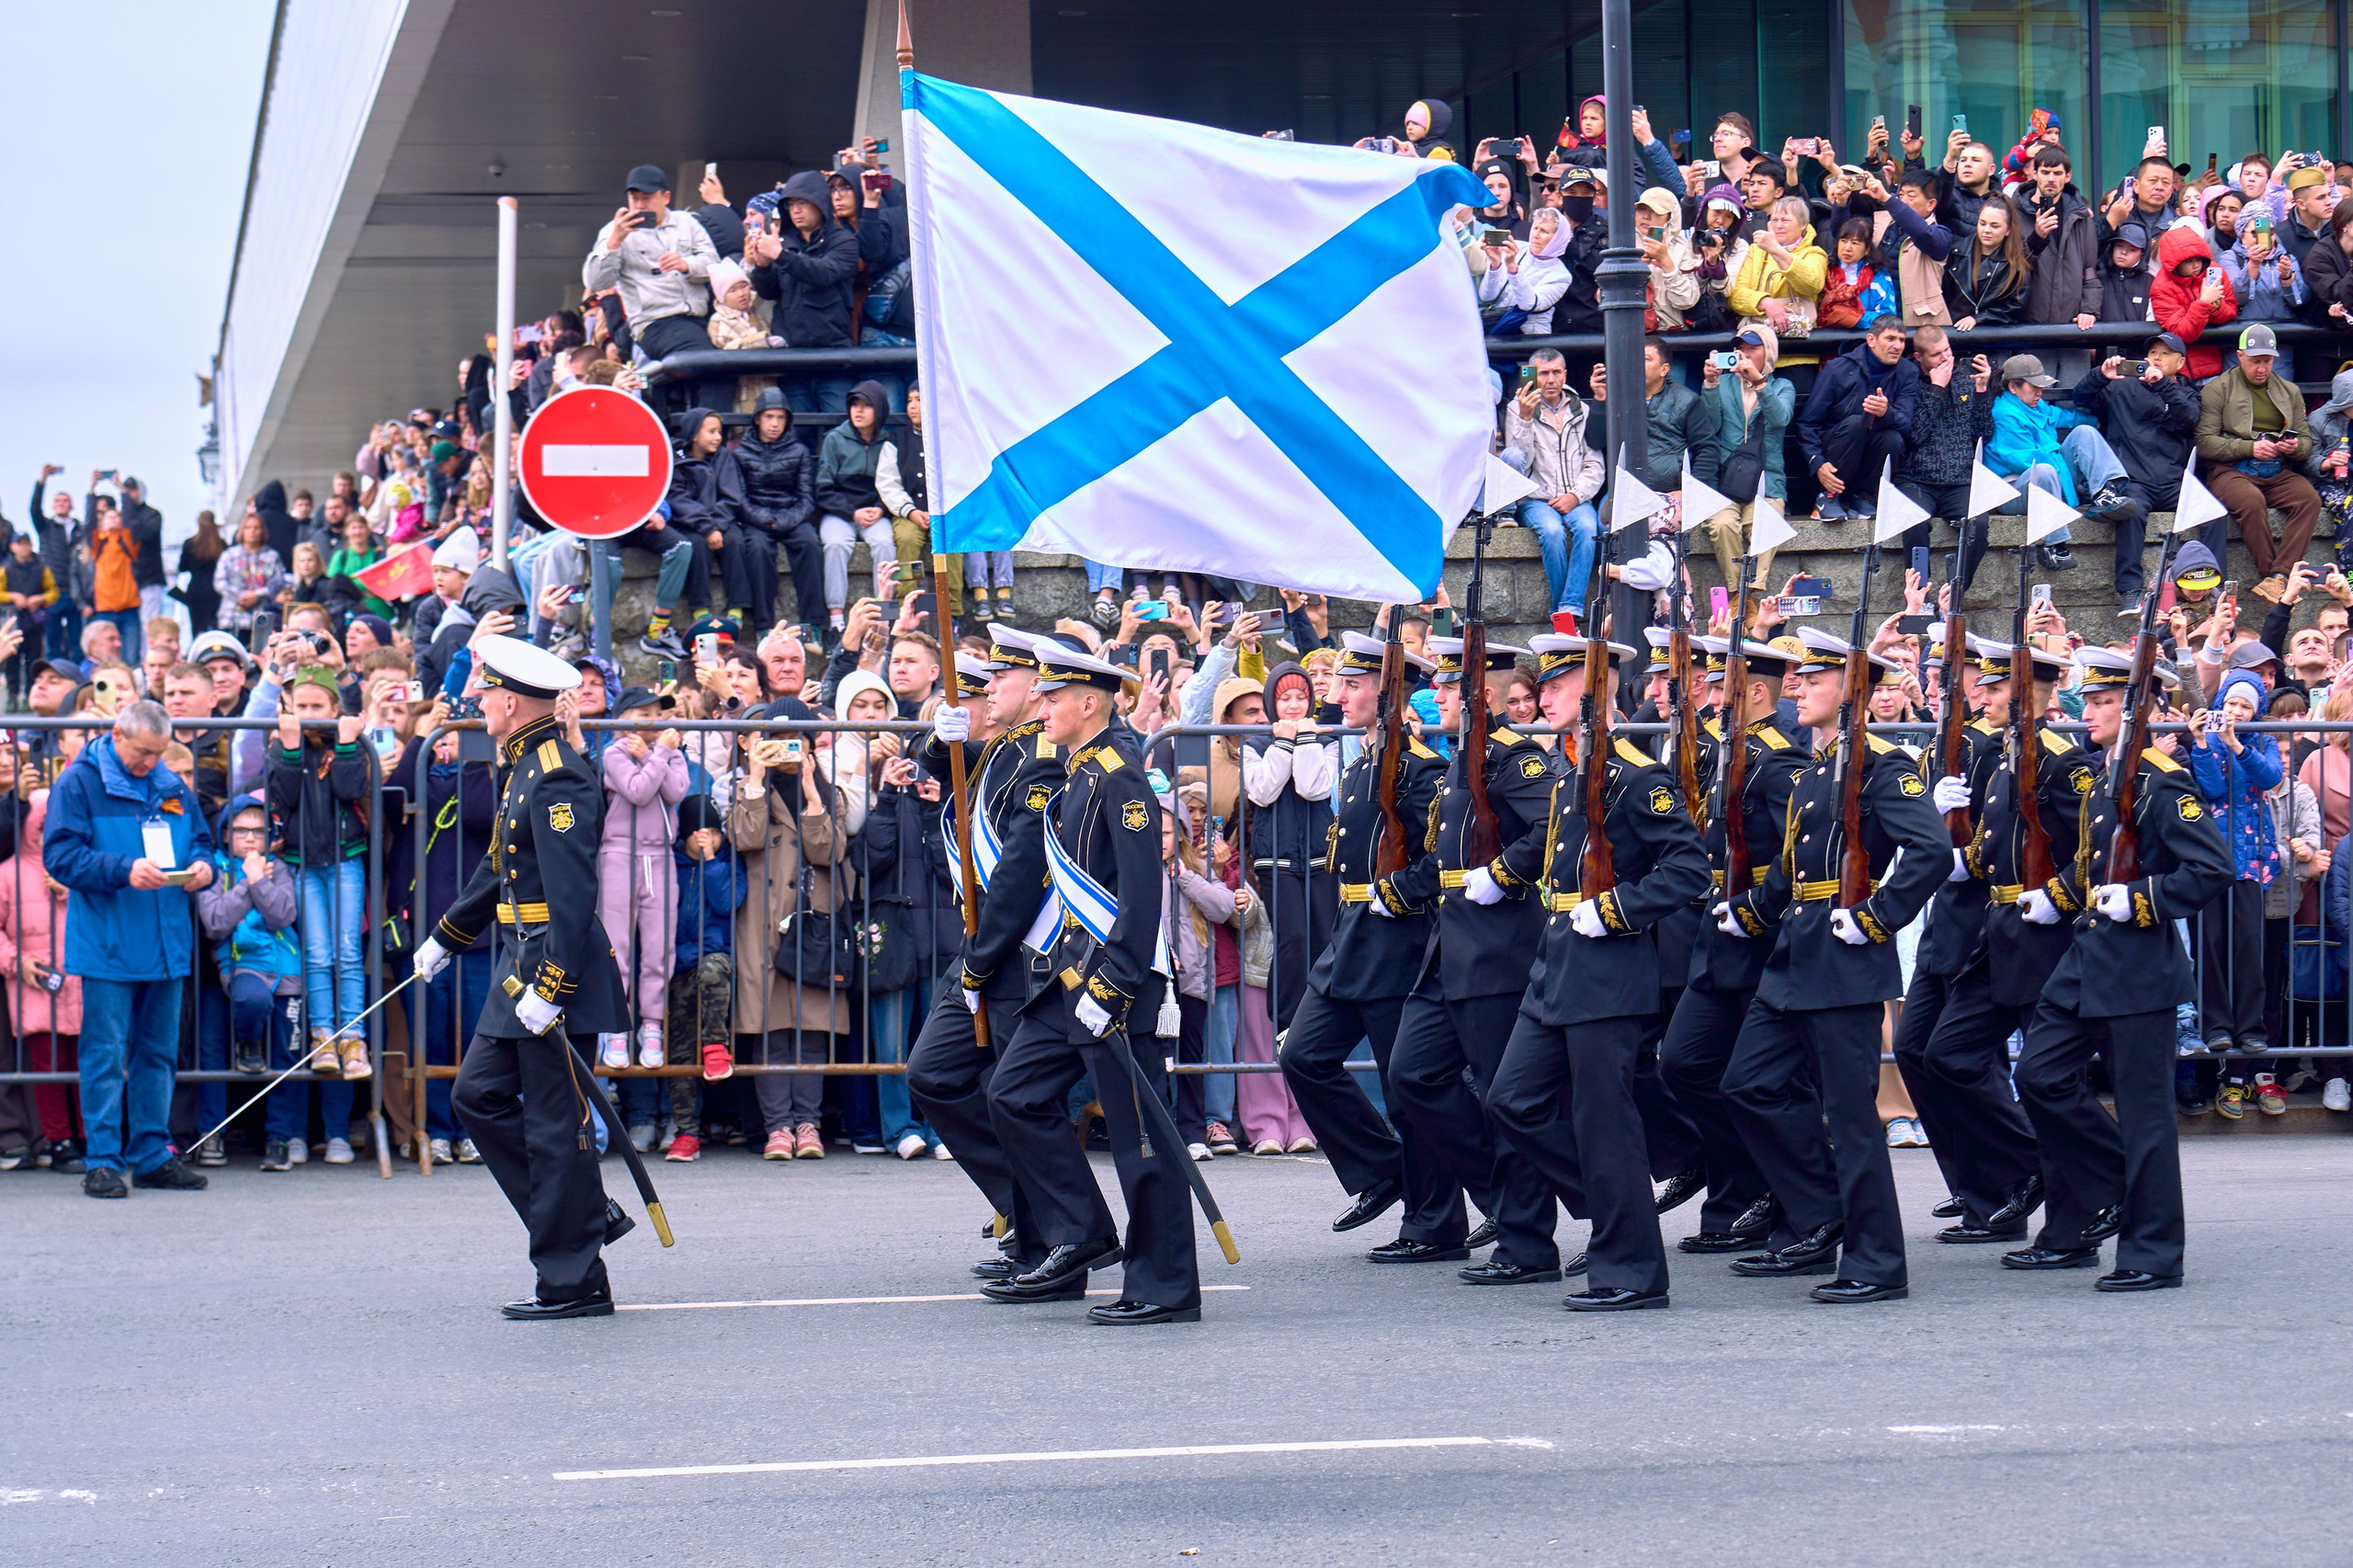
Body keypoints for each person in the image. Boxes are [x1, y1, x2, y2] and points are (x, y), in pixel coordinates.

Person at [1716, 629, 1949, 1302]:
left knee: (1853, 1119)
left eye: (1814, 681)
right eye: (1800, 678)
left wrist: (1878, 917)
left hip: (1844, 962)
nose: (1798, 688)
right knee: (1747, 1083)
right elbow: (1793, 868)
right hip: (1794, 955)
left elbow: (1929, 851)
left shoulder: (1882, 767)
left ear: (1853, 693)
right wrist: (1751, 911)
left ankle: (1877, 1262)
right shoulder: (1817, 769)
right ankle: (1822, 1214)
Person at [1480, 633, 1710, 1311]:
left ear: (1595, 690)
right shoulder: (1570, 770)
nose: (1540, 697)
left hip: (1607, 969)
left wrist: (1617, 909)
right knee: (1511, 1100)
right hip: (1556, 962)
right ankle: (1619, 1204)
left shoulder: (1634, 774)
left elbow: (1689, 869)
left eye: (1555, 686)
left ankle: (1633, 1270)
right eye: (1541, 686)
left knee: (1604, 1120)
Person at [981, 641, 1199, 1326]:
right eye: (1040, 696)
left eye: (1052, 698)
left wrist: (1114, 988)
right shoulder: (1077, 774)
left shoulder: (1119, 777)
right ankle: (1081, 1233)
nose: (1041, 708)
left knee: (1141, 1144)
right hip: (1066, 980)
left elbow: (1140, 899)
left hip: (1113, 986)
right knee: (1012, 1095)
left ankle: (1164, 1286)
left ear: (1088, 703)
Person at [413, 637, 630, 1317]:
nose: (477, 701)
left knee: (551, 1126)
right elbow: (497, 869)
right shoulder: (525, 764)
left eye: (484, 692)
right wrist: (447, 936)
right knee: (477, 1096)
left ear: (510, 700)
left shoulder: (558, 772)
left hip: (549, 971)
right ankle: (584, 1211)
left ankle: (571, 1279)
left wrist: (555, 987)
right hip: (520, 962)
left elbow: (571, 892)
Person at [2008, 649, 2228, 1290]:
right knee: (2040, 1074)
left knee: (2146, 1114)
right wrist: (2056, 895)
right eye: (2093, 700)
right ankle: (2116, 1185)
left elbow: (2209, 869)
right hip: (2087, 959)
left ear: (2141, 709)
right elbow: (2091, 862)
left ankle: (2153, 1254)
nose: (2093, 711)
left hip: (2138, 970)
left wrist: (2142, 899)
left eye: (2107, 702)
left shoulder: (2162, 781)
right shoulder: (2107, 777)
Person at [1274, 631, 1466, 1259]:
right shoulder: (1361, 763)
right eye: (1341, 682)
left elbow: (1444, 859)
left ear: (1389, 695)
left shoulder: (1420, 769)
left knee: (1405, 1087)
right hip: (1351, 939)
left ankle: (1435, 1223)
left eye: (1354, 685)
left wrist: (1402, 891)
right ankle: (1385, 1170)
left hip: (1396, 943)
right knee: (1302, 1055)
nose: (1338, 693)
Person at [1382, 634, 1559, 1283]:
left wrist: (1509, 872)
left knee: (1502, 1097)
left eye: (1452, 687)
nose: (1439, 696)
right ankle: (1499, 1195)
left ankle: (1529, 1242)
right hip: (1449, 946)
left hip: (1498, 950)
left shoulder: (1515, 760)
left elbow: (1554, 826)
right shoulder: (1461, 761)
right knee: (1413, 1075)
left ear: (1481, 696)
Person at [1912, 640, 2086, 1245]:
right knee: (1934, 1054)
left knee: (2048, 1080)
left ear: (2029, 691)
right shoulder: (2003, 754)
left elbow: (2091, 849)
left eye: (1994, 685)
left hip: (2035, 934)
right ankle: (2008, 1178)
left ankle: (2062, 1206)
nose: (1979, 695)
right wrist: (1947, 849)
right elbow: (1988, 844)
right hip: (1983, 928)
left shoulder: (2053, 758)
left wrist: (2058, 898)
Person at [911, 626, 1060, 1273]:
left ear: (1036, 690)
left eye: (1002, 677)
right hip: (983, 946)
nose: (990, 687)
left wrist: (980, 960)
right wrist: (937, 738)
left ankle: (1043, 1230)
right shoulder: (997, 751)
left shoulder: (1041, 757)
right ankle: (1018, 1205)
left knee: (1015, 1094)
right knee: (933, 1074)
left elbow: (1023, 873)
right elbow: (933, 764)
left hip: (1018, 950)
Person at [1659, 636, 1810, 1253]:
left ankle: (1768, 1196)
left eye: (1723, 688)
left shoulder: (1779, 761)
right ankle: (1747, 1186)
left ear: (1754, 692)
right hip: (1717, 936)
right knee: (1685, 1065)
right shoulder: (1730, 753)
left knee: (1760, 1081)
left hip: (1763, 940)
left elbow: (1798, 854)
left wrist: (1757, 908)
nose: (1713, 698)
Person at [42, 701, 216, 1199]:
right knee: (105, 1052)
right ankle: (102, 1158)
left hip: (162, 940)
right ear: (117, 735)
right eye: (143, 753)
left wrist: (204, 868)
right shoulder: (78, 782)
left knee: (156, 1054)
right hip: (110, 941)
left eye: (158, 754)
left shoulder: (168, 781)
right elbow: (60, 856)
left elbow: (203, 842)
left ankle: (149, 1153)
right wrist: (123, 869)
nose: (149, 763)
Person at [267, 666, 379, 1118]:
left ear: (336, 709)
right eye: (302, 706)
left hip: (344, 858)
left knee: (348, 951)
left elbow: (351, 787)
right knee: (316, 953)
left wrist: (349, 742)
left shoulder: (347, 743)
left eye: (318, 707)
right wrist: (291, 748)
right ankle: (322, 1034)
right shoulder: (281, 744)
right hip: (302, 863)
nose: (309, 714)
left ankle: (353, 1037)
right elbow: (283, 797)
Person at [192, 792, 304, 1169]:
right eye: (241, 830)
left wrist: (260, 878)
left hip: (283, 971)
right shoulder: (213, 868)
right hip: (228, 970)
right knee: (210, 1052)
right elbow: (215, 922)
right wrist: (250, 882)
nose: (251, 839)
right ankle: (211, 1135)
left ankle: (279, 1138)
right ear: (225, 834)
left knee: (285, 1057)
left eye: (259, 831)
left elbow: (283, 914)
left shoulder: (280, 868)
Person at [597, 687, 688, 1089]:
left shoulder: (669, 752)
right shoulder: (614, 753)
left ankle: (651, 1025)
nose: (651, 721)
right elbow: (637, 790)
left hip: (659, 856)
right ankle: (617, 1028)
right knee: (617, 945)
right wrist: (658, 757)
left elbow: (675, 791)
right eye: (643, 713)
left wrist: (658, 754)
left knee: (658, 945)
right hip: (618, 853)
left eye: (656, 713)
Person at [2070, 334, 2202, 608]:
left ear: (2180, 362)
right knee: (2130, 510)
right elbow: (2080, 398)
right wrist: (2101, 375)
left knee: (2212, 510)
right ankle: (2130, 591)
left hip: (2173, 482)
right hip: (2135, 479)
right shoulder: (2122, 386)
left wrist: (2163, 385)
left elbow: (2189, 420)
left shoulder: (2186, 392)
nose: (2156, 357)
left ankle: (2213, 583)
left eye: (2165, 354)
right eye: (2153, 352)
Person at [2188, 668, 2281, 1053]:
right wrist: (2203, 743)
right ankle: (2216, 1026)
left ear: (2256, 712)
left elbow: (2271, 777)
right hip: (2213, 856)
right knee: (2209, 943)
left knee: (2248, 943)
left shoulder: (2264, 740)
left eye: (2246, 706)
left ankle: (2251, 1028)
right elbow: (2209, 787)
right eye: (2231, 704)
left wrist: (2239, 746)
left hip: (2251, 857)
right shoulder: (2208, 739)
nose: (2237, 711)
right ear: (2219, 705)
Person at [581, 165, 720, 416]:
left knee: (723, 365)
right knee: (712, 366)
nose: (640, 206)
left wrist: (687, 264)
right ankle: (711, 431)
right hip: (655, 323)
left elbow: (714, 265)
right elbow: (595, 282)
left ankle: (701, 432)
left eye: (647, 198)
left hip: (701, 318)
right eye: (634, 199)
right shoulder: (613, 231)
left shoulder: (687, 223)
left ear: (665, 198)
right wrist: (614, 242)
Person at [2198, 323, 2321, 601]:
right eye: (2255, 362)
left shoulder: (2289, 391)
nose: (2261, 368)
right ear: (2240, 356)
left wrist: (2294, 446)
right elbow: (2204, 443)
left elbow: (2305, 443)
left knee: (2309, 500)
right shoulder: (2217, 389)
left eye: (2267, 361)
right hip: (2232, 471)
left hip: (2277, 470)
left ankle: (2280, 576)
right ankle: (2270, 575)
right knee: (2251, 502)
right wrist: (2249, 448)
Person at [1986, 353, 2133, 573]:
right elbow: (2029, 462)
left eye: (2040, 386)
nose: (2039, 392)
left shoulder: (2034, 404)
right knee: (2044, 471)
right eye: (2033, 387)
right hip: (2015, 491)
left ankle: (2105, 493)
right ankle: (2054, 546)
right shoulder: (2004, 413)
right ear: (2013, 387)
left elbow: (2062, 416)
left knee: (2085, 432)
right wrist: (2075, 489)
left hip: (2051, 480)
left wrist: (2100, 422)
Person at [1500, 348, 1602, 636]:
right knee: (1553, 533)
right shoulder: (1516, 407)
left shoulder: (1581, 408)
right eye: (1543, 373)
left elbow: (1594, 462)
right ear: (1533, 374)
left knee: (1587, 527)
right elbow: (1519, 459)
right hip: (1536, 497)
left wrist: (1576, 495)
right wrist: (1524, 417)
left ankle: (1567, 608)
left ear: (1565, 374)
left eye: (1556, 372)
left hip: (1575, 495)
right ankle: (1565, 615)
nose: (1550, 379)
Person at [745, 169, 861, 413]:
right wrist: (763, 267)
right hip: (791, 357)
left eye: (802, 202)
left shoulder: (844, 241)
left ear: (819, 203)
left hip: (834, 356)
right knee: (798, 434)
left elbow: (824, 273)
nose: (795, 210)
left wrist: (779, 255)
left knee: (837, 429)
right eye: (790, 204)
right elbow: (769, 293)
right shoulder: (783, 242)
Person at [1697, 324, 1797, 595]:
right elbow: (1708, 425)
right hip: (1724, 481)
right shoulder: (1724, 383)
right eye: (1740, 349)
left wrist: (1760, 384)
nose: (1744, 354)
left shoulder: (1782, 386)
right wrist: (1710, 384)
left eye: (1752, 349)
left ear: (1769, 353)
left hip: (1767, 481)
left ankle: (1749, 593)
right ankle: (1735, 593)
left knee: (1768, 526)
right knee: (1722, 525)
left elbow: (1781, 417)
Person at [1895, 329, 1996, 593]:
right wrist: (1937, 387)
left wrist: (1983, 391)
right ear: (1919, 357)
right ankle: (1920, 598)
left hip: (1960, 480)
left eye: (1947, 351)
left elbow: (1982, 435)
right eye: (1936, 354)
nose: (1945, 358)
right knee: (1914, 524)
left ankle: (1953, 594)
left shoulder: (1965, 379)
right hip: (1917, 479)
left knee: (1979, 525)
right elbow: (1915, 434)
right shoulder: (1908, 382)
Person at [1798, 314, 1917, 522]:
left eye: (1901, 340)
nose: (1897, 346)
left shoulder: (1908, 372)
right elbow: (1808, 424)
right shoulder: (1837, 369)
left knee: (1893, 438)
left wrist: (1886, 412)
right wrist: (1817, 463)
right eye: (1890, 339)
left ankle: (1865, 497)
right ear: (1871, 340)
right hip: (1835, 452)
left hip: (1870, 455)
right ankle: (1827, 497)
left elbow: (1907, 426)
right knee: (1856, 423)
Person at [733, 389, 827, 635]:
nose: (775, 424)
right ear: (757, 419)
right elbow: (739, 499)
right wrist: (765, 520)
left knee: (810, 545)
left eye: (780, 417)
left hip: (792, 516)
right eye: (769, 417)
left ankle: (813, 625)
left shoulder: (799, 451)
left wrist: (784, 521)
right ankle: (764, 626)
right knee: (758, 550)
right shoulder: (741, 453)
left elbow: (807, 499)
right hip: (757, 518)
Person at [814, 381, 902, 631]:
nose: (858, 411)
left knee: (886, 543)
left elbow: (893, 483)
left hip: (875, 511)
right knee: (835, 545)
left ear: (880, 410)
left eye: (866, 406)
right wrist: (851, 512)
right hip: (840, 513)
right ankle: (836, 620)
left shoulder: (888, 441)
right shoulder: (834, 439)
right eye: (854, 404)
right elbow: (823, 489)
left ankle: (884, 616)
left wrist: (880, 509)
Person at [2020, 145, 2102, 334]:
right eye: (2045, 172)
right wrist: (2037, 239)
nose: (2051, 179)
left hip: (2073, 328)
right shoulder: (2016, 213)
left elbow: (2090, 271)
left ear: (2068, 176)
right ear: (2034, 174)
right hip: (2028, 328)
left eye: (2057, 173)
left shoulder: (2081, 216)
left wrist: (2089, 310)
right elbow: (2011, 270)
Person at [2149, 225, 2239, 379]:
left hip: (2213, 366)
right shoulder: (2160, 287)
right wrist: (2203, 304)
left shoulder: (2214, 271)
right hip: (2178, 373)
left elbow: (2231, 311)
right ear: (2175, 263)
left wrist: (2216, 309)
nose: (2196, 265)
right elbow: (2181, 332)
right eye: (2189, 261)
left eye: (2199, 258)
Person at [1942, 193, 2030, 331]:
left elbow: (2015, 307)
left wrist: (1979, 318)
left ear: (2007, 230)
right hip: (1955, 335)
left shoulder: (2016, 265)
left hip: (1993, 339)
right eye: (1982, 223)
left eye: (1995, 226)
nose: (1986, 230)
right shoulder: (1956, 252)